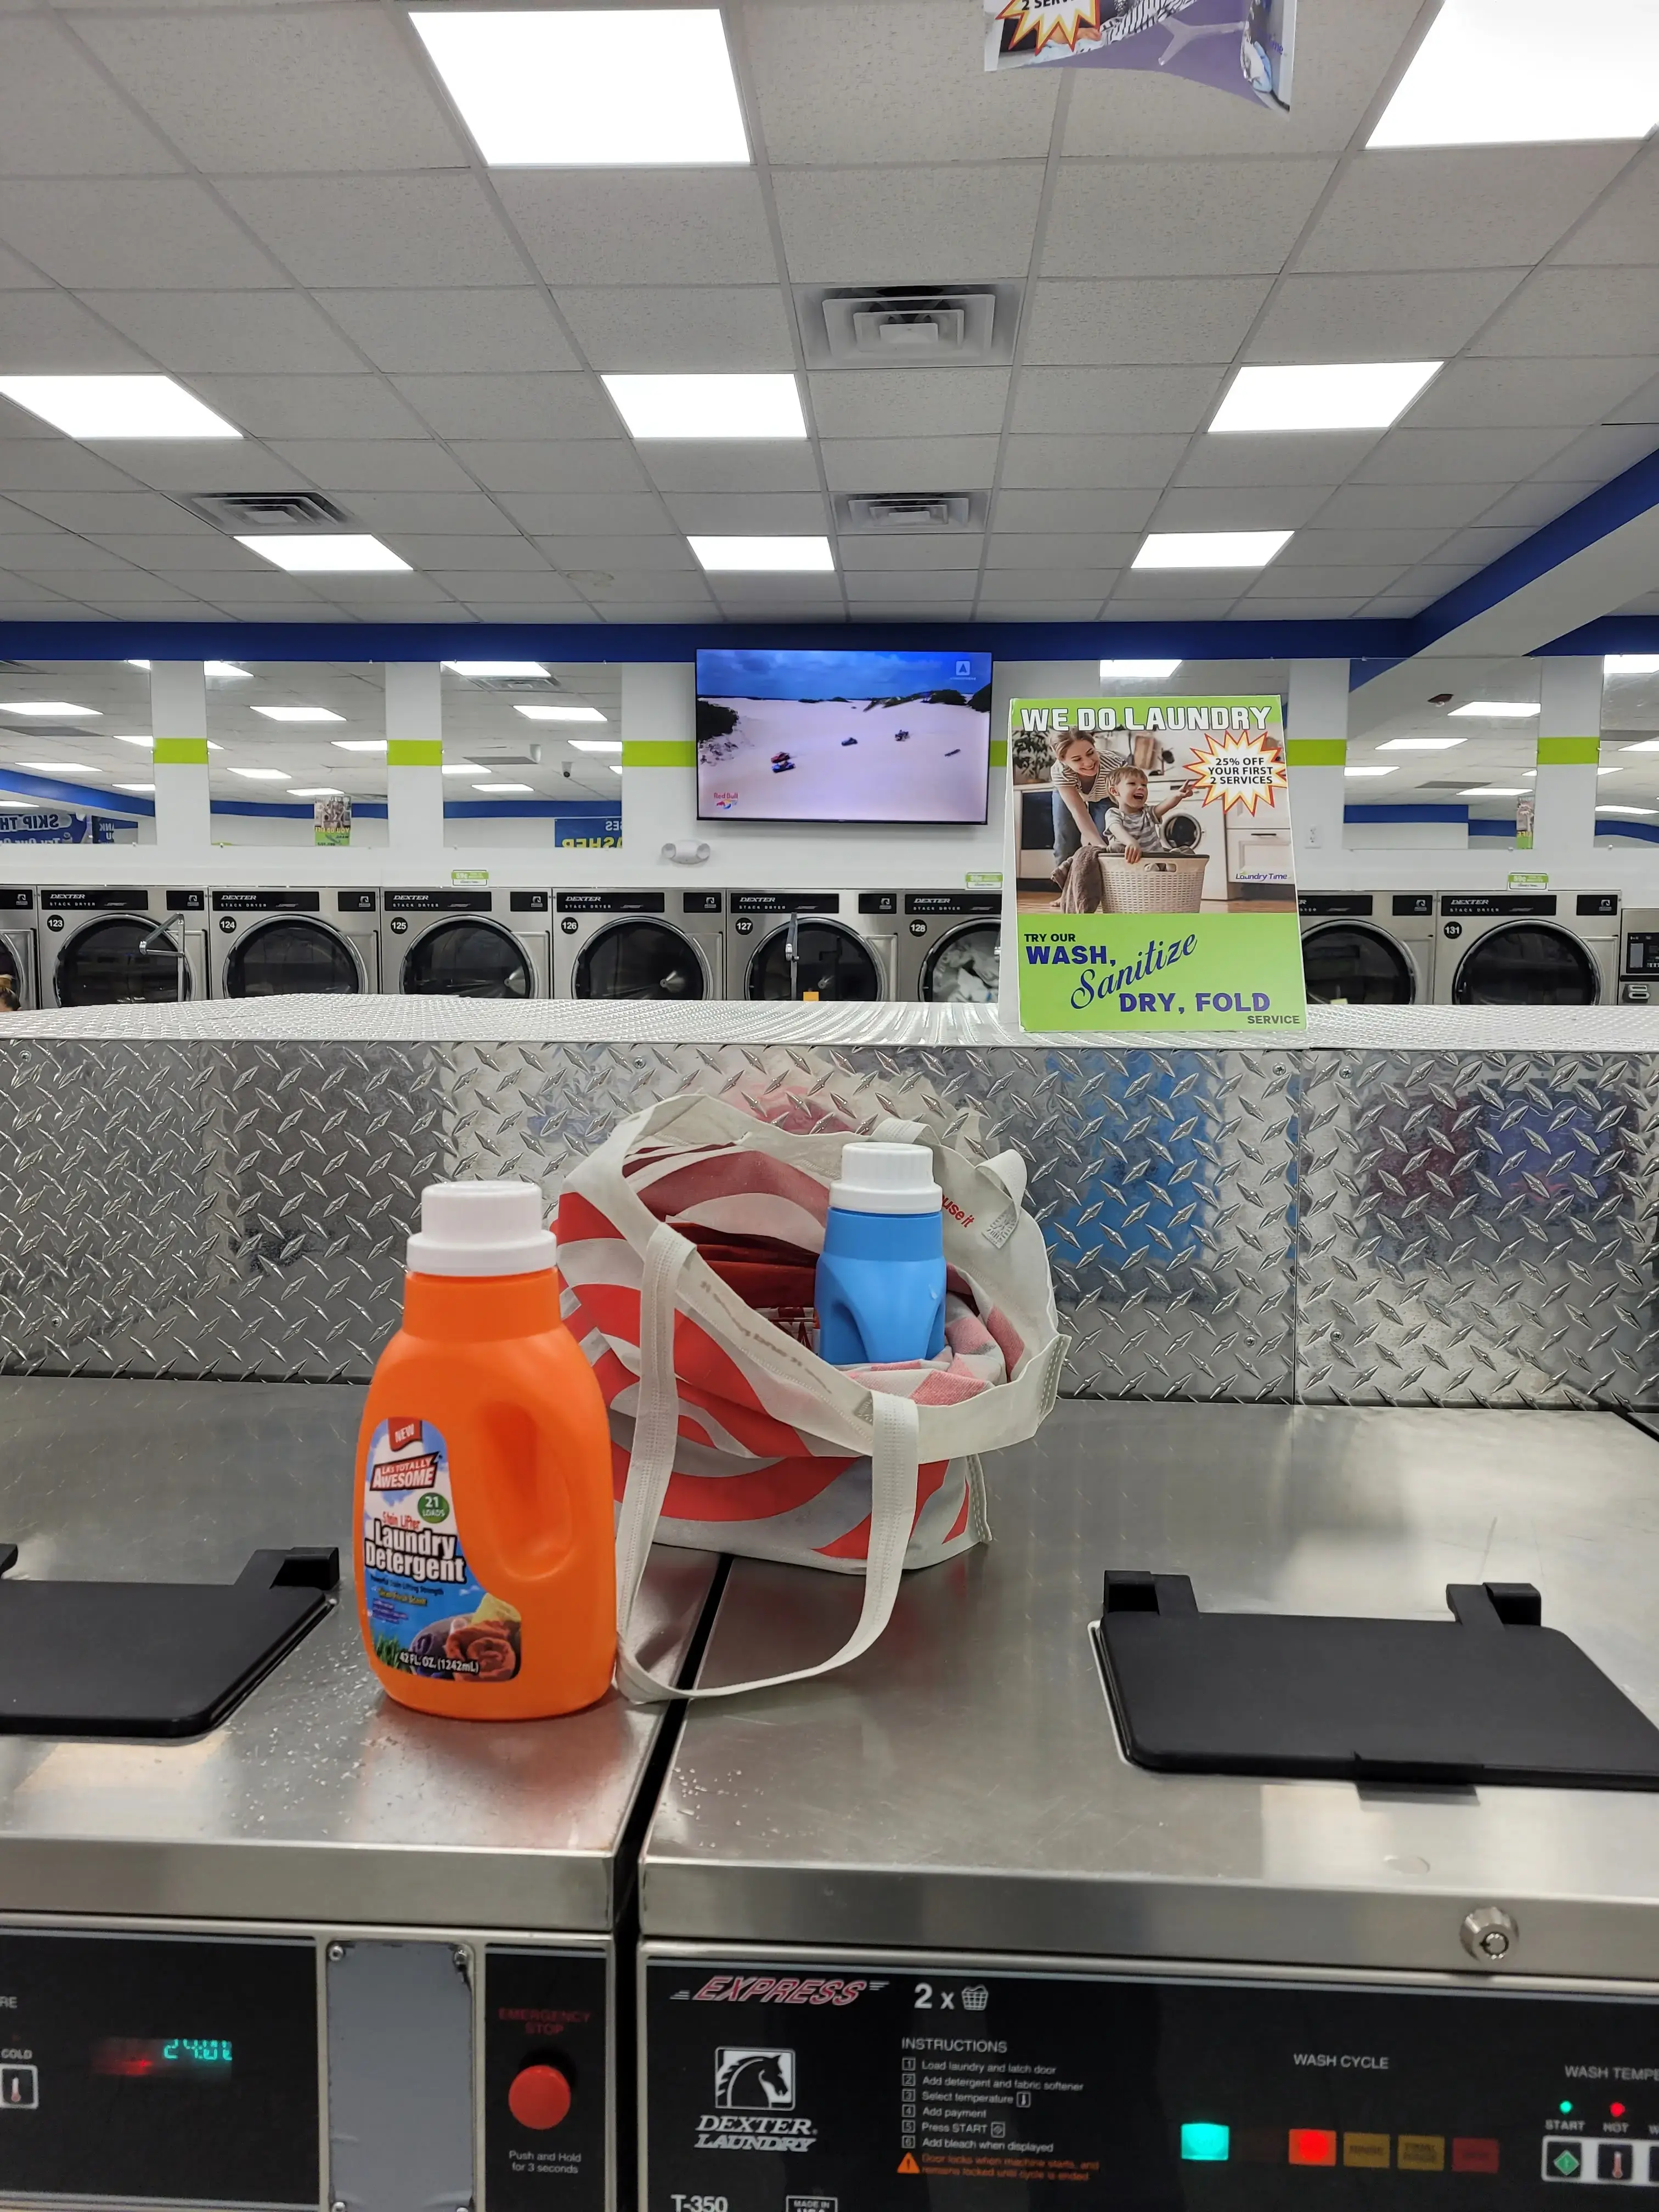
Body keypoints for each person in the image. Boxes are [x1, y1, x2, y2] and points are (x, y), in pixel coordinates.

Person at [1048, 729, 1127, 870]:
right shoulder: (1060, 771)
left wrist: (1102, 847)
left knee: (1106, 838)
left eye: (1091, 753)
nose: (1089, 762)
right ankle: (1068, 889)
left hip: (1104, 796)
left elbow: (1128, 805)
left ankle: (1101, 887)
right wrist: (1099, 846)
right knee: (1065, 844)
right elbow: (1079, 813)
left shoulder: (1116, 765)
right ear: (1062, 760)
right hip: (1071, 794)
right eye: (1077, 759)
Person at [1098, 760, 1198, 866]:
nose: (1141, 788)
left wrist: (1178, 796)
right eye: (1132, 783)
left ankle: (1166, 866)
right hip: (1131, 865)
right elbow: (1116, 829)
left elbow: (1165, 806)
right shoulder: (1113, 813)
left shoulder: (1147, 813)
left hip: (1157, 861)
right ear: (1115, 791)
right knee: (1115, 848)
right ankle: (1160, 867)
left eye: (1144, 785)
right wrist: (1131, 843)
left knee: (1186, 851)